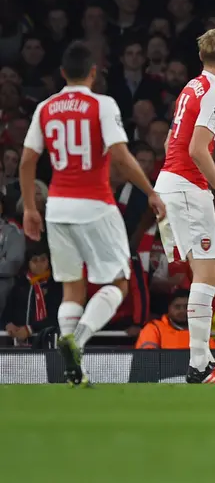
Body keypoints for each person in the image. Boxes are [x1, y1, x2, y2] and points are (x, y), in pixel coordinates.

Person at [19, 41, 166, 385]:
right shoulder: (102, 104)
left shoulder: (45, 107)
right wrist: (150, 191)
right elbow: (120, 155)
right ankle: (78, 340)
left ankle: (74, 373)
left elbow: (27, 160)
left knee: (73, 288)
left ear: (62, 73)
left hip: (56, 206)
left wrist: (29, 207)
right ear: (93, 73)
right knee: (119, 282)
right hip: (95, 203)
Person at [154, 28, 215, 384]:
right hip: (187, 188)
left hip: (171, 184)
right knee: (208, 274)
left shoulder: (190, 87)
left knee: (200, 273)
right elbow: (196, 148)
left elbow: (169, 140)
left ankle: (205, 360)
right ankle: (198, 365)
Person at [136, 289, 215, 350]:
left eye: (187, 307)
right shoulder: (154, 328)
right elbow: (147, 360)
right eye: (177, 307)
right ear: (169, 308)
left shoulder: (201, 332)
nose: (182, 311)